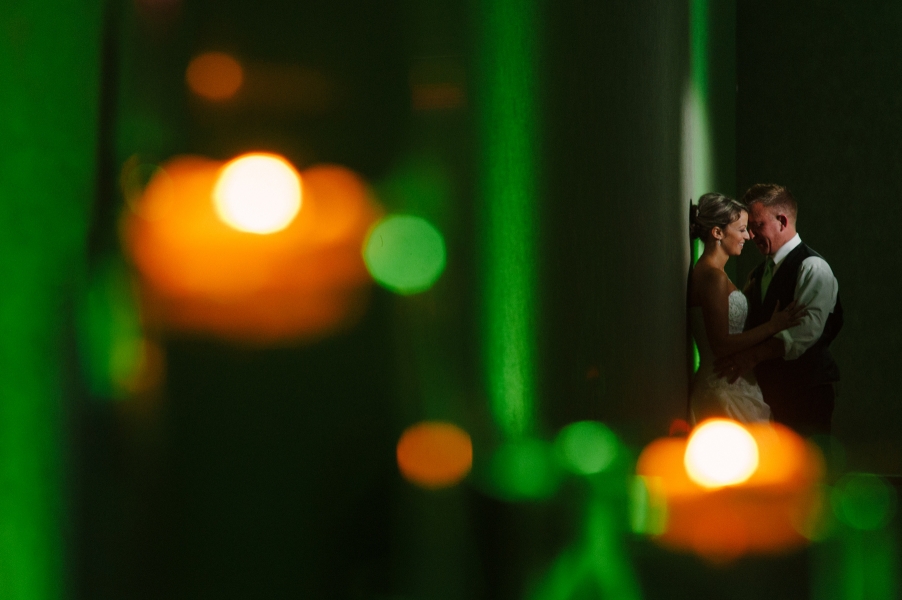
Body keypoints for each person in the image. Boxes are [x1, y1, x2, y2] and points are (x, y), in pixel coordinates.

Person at [717, 184, 842, 437]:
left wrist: (752, 357)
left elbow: (804, 333)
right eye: (748, 228)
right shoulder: (759, 273)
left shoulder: (813, 268)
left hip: (806, 394)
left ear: (782, 221)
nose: (750, 235)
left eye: (757, 225)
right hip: (768, 394)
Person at [687, 192, 805, 424]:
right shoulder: (713, 277)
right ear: (717, 232)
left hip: (733, 384)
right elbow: (720, 344)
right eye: (741, 229)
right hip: (723, 387)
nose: (748, 236)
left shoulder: (714, 273)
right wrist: (773, 326)